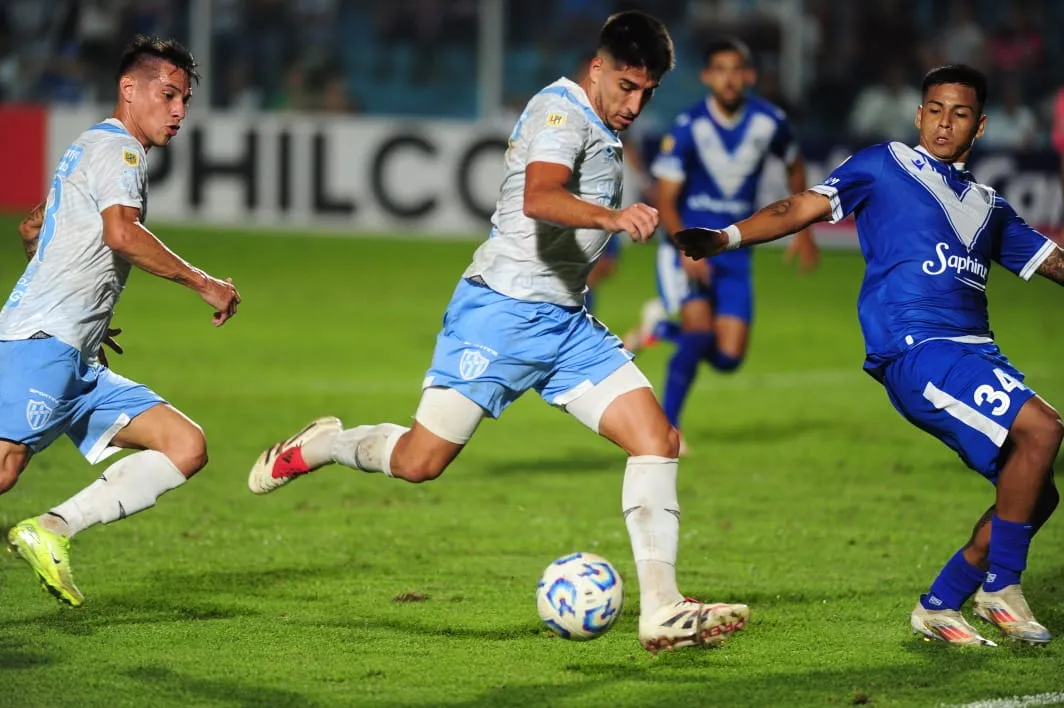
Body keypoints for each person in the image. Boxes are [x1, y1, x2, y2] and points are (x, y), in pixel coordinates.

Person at [249, 11, 749, 653]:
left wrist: (606, 235)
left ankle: (662, 607)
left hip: (566, 322)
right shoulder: (560, 112)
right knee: (418, 462)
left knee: (658, 438)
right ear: (597, 67)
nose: (635, 102)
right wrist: (613, 215)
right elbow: (538, 197)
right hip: (501, 314)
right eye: (626, 86)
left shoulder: (603, 122)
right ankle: (322, 446)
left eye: (647, 91)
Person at [675, 64, 1062, 646]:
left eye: (959, 114)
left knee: (1036, 490)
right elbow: (799, 207)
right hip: (917, 348)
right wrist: (725, 237)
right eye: (934, 109)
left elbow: (1054, 263)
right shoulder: (885, 165)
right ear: (918, 114)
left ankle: (941, 603)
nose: (943, 123)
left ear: (979, 127)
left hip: (978, 354)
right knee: (1044, 430)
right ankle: (1001, 589)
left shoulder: (990, 207)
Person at [1, 35, 241, 607]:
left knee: (184, 445)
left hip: (74, 354)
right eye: (168, 94)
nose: (179, 110)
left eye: (184, 98)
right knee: (4, 467)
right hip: (41, 343)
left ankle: (52, 529)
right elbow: (121, 235)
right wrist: (204, 282)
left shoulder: (92, 147)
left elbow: (34, 228)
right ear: (128, 90)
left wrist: (85, 310)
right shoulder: (122, 152)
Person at [628, 37, 818, 452]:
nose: (729, 79)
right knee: (699, 331)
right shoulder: (689, 126)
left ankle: (659, 327)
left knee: (730, 357)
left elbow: (795, 165)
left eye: (737, 70)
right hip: (690, 245)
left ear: (749, 76)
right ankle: (667, 433)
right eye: (720, 70)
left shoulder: (771, 121)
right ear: (707, 76)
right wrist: (684, 248)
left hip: (734, 249)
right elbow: (665, 198)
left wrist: (804, 232)